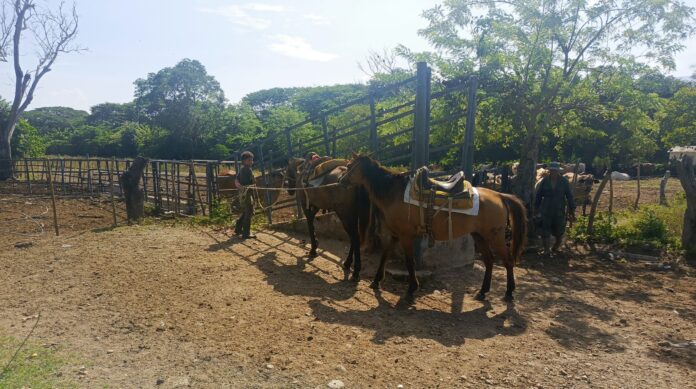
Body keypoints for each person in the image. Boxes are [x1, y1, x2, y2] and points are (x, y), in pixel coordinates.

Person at [534, 161, 576, 255]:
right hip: (546, 209)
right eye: (552, 170)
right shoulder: (545, 181)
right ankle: (546, 250)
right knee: (545, 229)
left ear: (558, 171)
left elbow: (569, 196)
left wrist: (572, 209)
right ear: (549, 171)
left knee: (559, 231)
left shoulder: (564, 181)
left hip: (559, 209)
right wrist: (536, 208)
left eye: (555, 171)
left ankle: (555, 247)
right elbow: (539, 195)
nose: (553, 172)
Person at [234, 151, 256, 239]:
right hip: (247, 193)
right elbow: (246, 183)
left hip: (244, 193)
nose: (251, 162)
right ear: (244, 161)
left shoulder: (243, 169)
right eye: (249, 160)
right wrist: (253, 184)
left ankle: (238, 228)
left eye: (252, 160)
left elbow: (238, 180)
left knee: (246, 211)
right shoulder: (246, 170)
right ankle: (246, 233)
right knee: (249, 211)